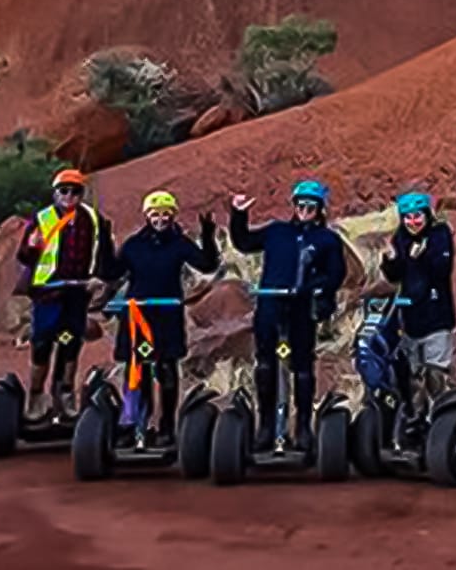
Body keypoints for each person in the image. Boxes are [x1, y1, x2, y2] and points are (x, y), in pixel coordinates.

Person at [230, 179, 349, 453]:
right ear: (294, 206)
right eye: (301, 205)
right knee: (265, 366)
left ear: (320, 209)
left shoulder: (327, 239)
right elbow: (244, 243)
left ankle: (303, 427)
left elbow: (336, 274)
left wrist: (315, 288)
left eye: (311, 206)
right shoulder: (276, 232)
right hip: (270, 307)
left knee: (303, 369)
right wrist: (238, 214)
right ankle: (266, 428)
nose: (305, 210)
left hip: (300, 309)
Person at [95, 190, 219, 446]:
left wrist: (208, 235)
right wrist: (105, 241)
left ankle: (166, 427)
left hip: (167, 314)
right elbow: (109, 272)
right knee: (136, 369)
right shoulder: (134, 245)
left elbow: (207, 265)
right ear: (147, 215)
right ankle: (135, 424)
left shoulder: (179, 243)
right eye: (155, 213)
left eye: (165, 214)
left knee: (165, 369)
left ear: (172, 216)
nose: (160, 218)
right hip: (137, 314)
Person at [17, 168, 112, 420]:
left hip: (77, 293)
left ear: (82, 194)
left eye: (75, 191)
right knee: (42, 344)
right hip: (47, 293)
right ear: (56, 193)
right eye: (64, 190)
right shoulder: (42, 218)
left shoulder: (94, 220)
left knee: (70, 342)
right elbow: (24, 257)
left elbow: (105, 253)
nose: (69, 195)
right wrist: (31, 247)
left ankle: (65, 393)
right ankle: (36, 395)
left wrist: (99, 276)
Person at [379, 191, 456, 436]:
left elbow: (441, 268)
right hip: (410, 318)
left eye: (418, 216)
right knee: (411, 374)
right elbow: (395, 275)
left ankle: (440, 422)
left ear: (427, 215)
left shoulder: (440, 234)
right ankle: (415, 419)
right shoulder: (400, 238)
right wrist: (390, 261)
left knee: (435, 373)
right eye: (408, 218)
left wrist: (417, 259)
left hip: (437, 316)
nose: (413, 222)